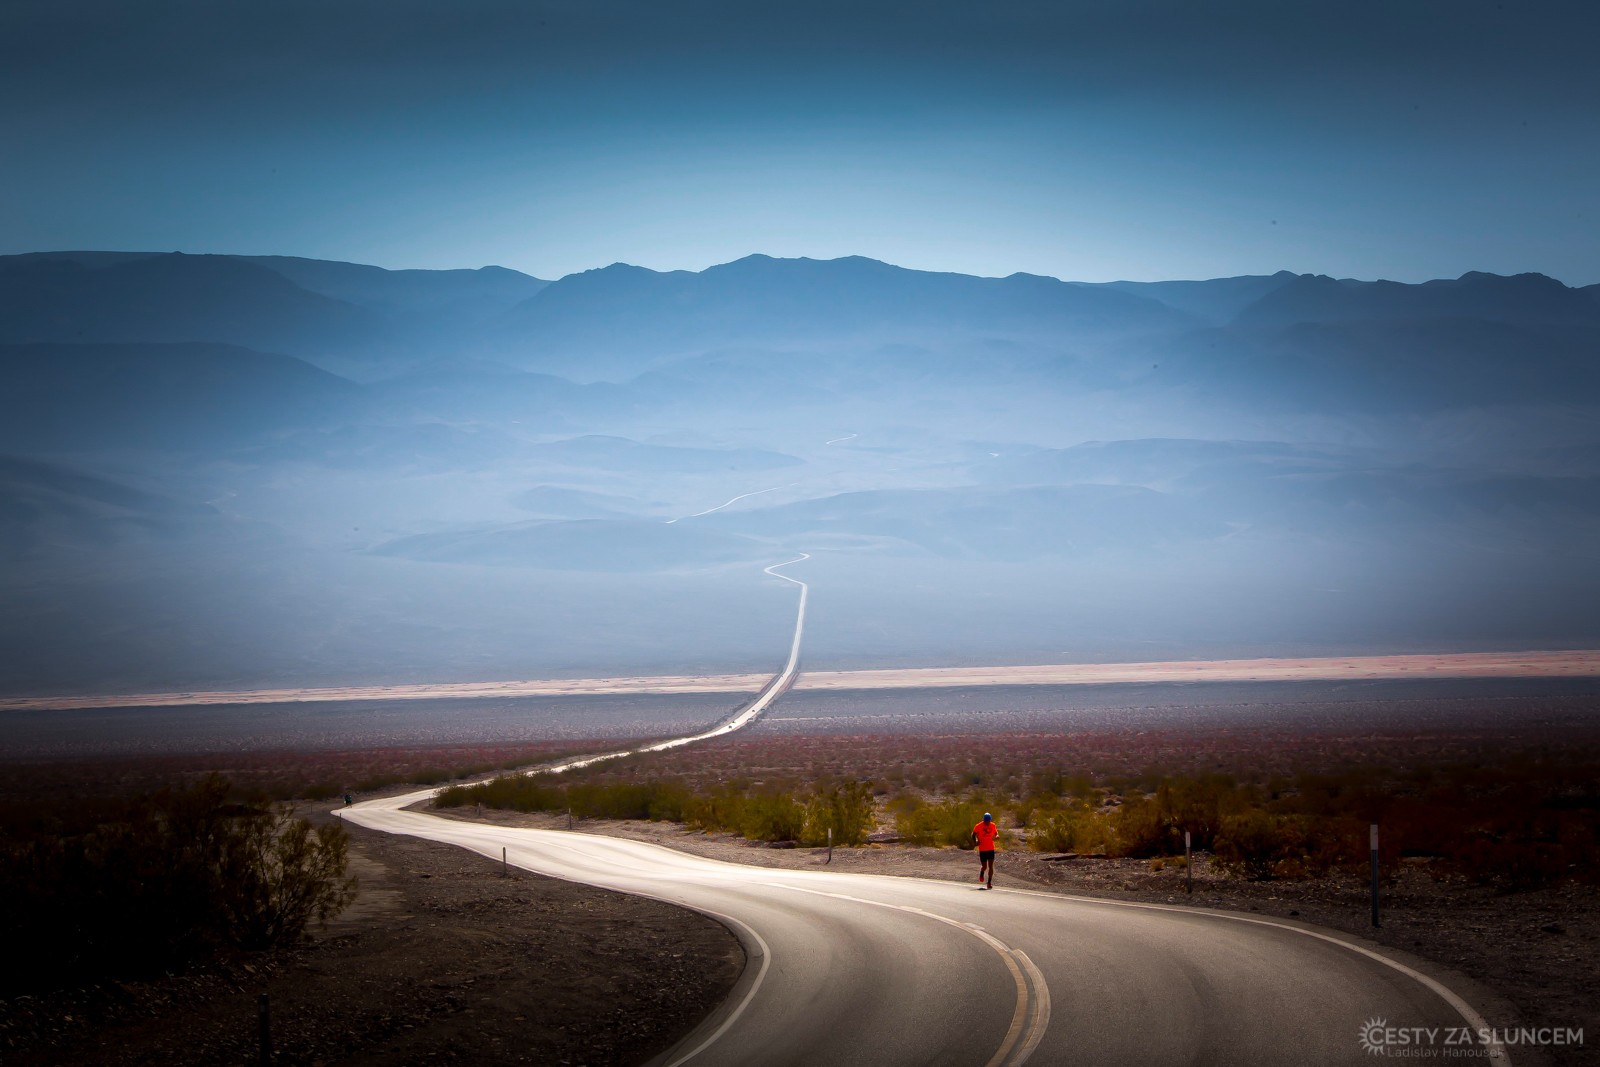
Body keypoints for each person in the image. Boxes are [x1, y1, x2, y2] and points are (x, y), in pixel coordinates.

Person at [972, 812, 998, 889]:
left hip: (991, 848)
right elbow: (973, 834)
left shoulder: (993, 825)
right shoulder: (978, 826)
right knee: (984, 866)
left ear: (990, 820)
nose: (987, 823)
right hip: (982, 849)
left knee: (991, 866)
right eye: (986, 821)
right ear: (984, 820)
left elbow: (996, 833)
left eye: (988, 821)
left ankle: (989, 882)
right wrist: (975, 841)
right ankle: (982, 872)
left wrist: (997, 836)